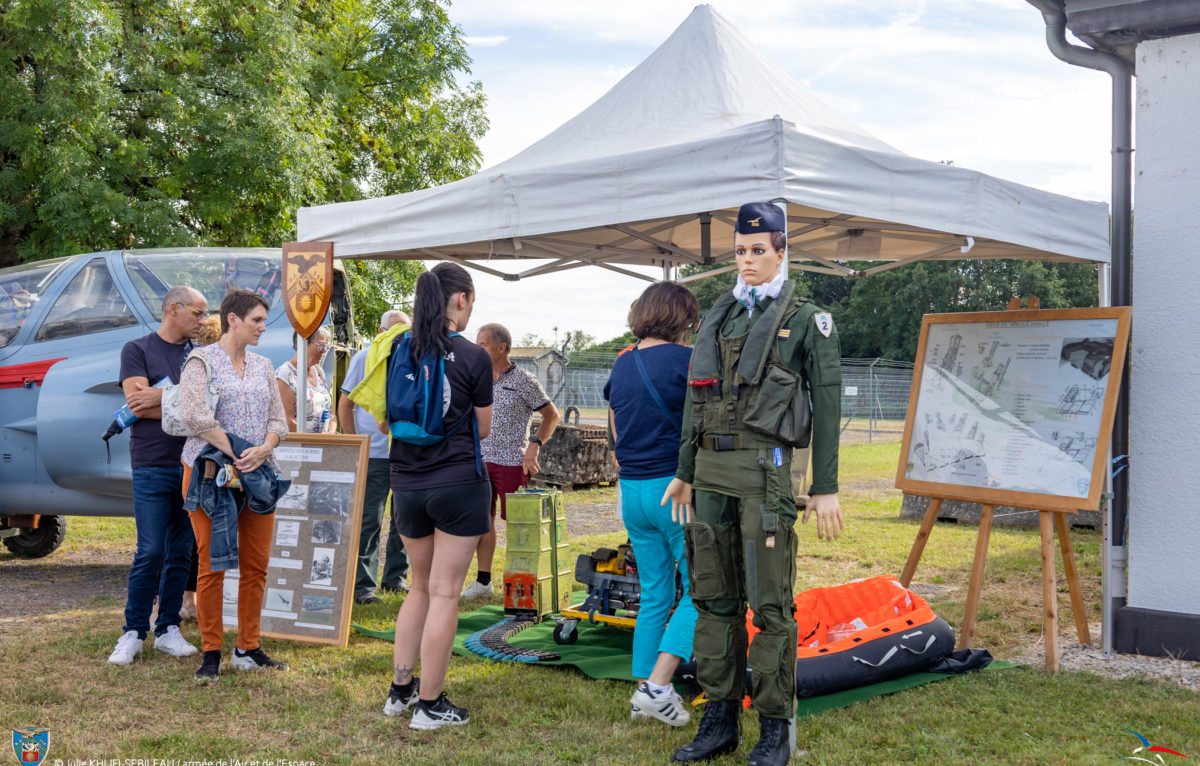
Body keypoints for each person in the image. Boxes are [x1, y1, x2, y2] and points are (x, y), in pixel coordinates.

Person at [662, 202, 843, 766]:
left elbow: (829, 403)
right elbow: (697, 398)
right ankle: (720, 719)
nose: (747, 261)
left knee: (770, 608)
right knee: (714, 600)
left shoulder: (808, 320)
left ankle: (774, 727)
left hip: (765, 479)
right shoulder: (725, 317)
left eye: (758, 251)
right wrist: (684, 472)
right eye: (740, 252)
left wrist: (826, 485)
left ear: (781, 251)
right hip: (711, 477)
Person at [382, 262, 492, 730]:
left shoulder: (398, 348)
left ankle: (400, 691)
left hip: (406, 482)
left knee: (419, 589)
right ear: (461, 299)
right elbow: (483, 427)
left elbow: (386, 418)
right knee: (446, 593)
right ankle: (430, 706)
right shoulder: (472, 356)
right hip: (457, 483)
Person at [180, 288, 290, 682]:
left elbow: (280, 421)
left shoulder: (263, 366)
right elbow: (193, 414)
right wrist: (237, 449)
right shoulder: (201, 361)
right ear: (233, 319)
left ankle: (248, 646)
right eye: (257, 320)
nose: (263, 327)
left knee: (256, 564)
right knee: (211, 564)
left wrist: (262, 449)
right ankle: (212, 652)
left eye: (263, 320)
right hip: (209, 476)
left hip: (256, 476)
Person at [604, 282, 700, 726]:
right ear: (682, 318)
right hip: (674, 489)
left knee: (656, 592)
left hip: (633, 489)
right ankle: (659, 686)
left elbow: (616, 433)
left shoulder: (621, 364)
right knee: (702, 588)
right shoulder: (688, 359)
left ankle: (643, 688)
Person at [107, 287, 208, 665]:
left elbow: (204, 407)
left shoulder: (197, 355)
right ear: (172, 309)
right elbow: (135, 405)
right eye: (197, 313)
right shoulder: (137, 349)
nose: (202, 321)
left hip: (189, 462)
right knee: (150, 549)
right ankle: (133, 631)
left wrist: (161, 398)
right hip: (150, 462)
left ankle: (167, 628)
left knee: (181, 551)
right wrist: (183, 403)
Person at [461, 322, 560, 599]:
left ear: (500, 347)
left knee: (518, 526)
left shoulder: (524, 380)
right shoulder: (476, 378)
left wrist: (534, 446)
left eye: (483, 344)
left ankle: (521, 581)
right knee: (483, 521)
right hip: (479, 461)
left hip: (511, 462)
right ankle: (483, 583)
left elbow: (552, 416)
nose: (478, 349)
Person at [339, 309, 412, 604]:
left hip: (407, 452)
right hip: (375, 454)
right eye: (394, 331)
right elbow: (345, 405)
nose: (400, 337)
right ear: (382, 332)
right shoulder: (364, 357)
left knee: (404, 519)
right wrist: (357, 445)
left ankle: (396, 578)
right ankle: (362, 585)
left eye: (405, 331)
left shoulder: (413, 360)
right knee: (369, 519)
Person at [276, 326, 336, 433]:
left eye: (326, 346)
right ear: (302, 344)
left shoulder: (319, 371)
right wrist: (313, 442)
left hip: (323, 445)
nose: (325, 350)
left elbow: (331, 413)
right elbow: (288, 422)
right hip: (302, 447)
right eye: (320, 345)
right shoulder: (285, 375)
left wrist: (329, 435)